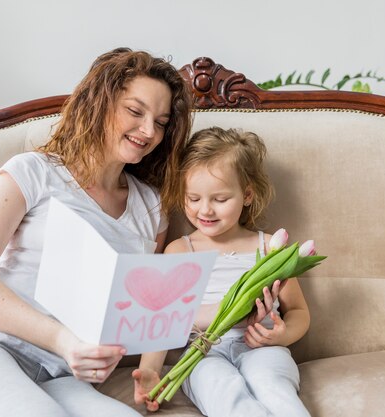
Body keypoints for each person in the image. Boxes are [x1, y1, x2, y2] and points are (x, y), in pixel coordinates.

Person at [0, 47, 192, 417]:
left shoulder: (152, 209)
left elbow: (146, 313)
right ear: (100, 103)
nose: (148, 130)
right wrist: (64, 341)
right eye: (135, 112)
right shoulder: (33, 172)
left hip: (62, 375)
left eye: (161, 120)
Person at [132, 127, 311, 417]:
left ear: (247, 195)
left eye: (220, 199)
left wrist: (282, 336)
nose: (206, 210)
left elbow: (299, 311)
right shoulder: (180, 250)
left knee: (271, 385)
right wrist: (150, 371)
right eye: (193, 199)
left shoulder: (270, 249)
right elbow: (163, 321)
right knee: (222, 391)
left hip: (261, 348)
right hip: (202, 354)